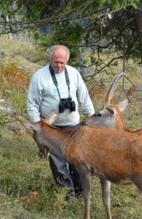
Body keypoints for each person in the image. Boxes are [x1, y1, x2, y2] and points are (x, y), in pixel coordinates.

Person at [26, 45, 95, 199]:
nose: (59, 66)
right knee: (57, 164)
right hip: (52, 128)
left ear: (67, 61)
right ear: (50, 59)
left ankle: (80, 191)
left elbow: (84, 97)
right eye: (56, 62)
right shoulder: (39, 76)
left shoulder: (74, 73)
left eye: (62, 63)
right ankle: (66, 195)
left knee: (77, 161)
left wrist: (91, 118)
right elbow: (32, 104)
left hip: (73, 126)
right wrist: (39, 127)